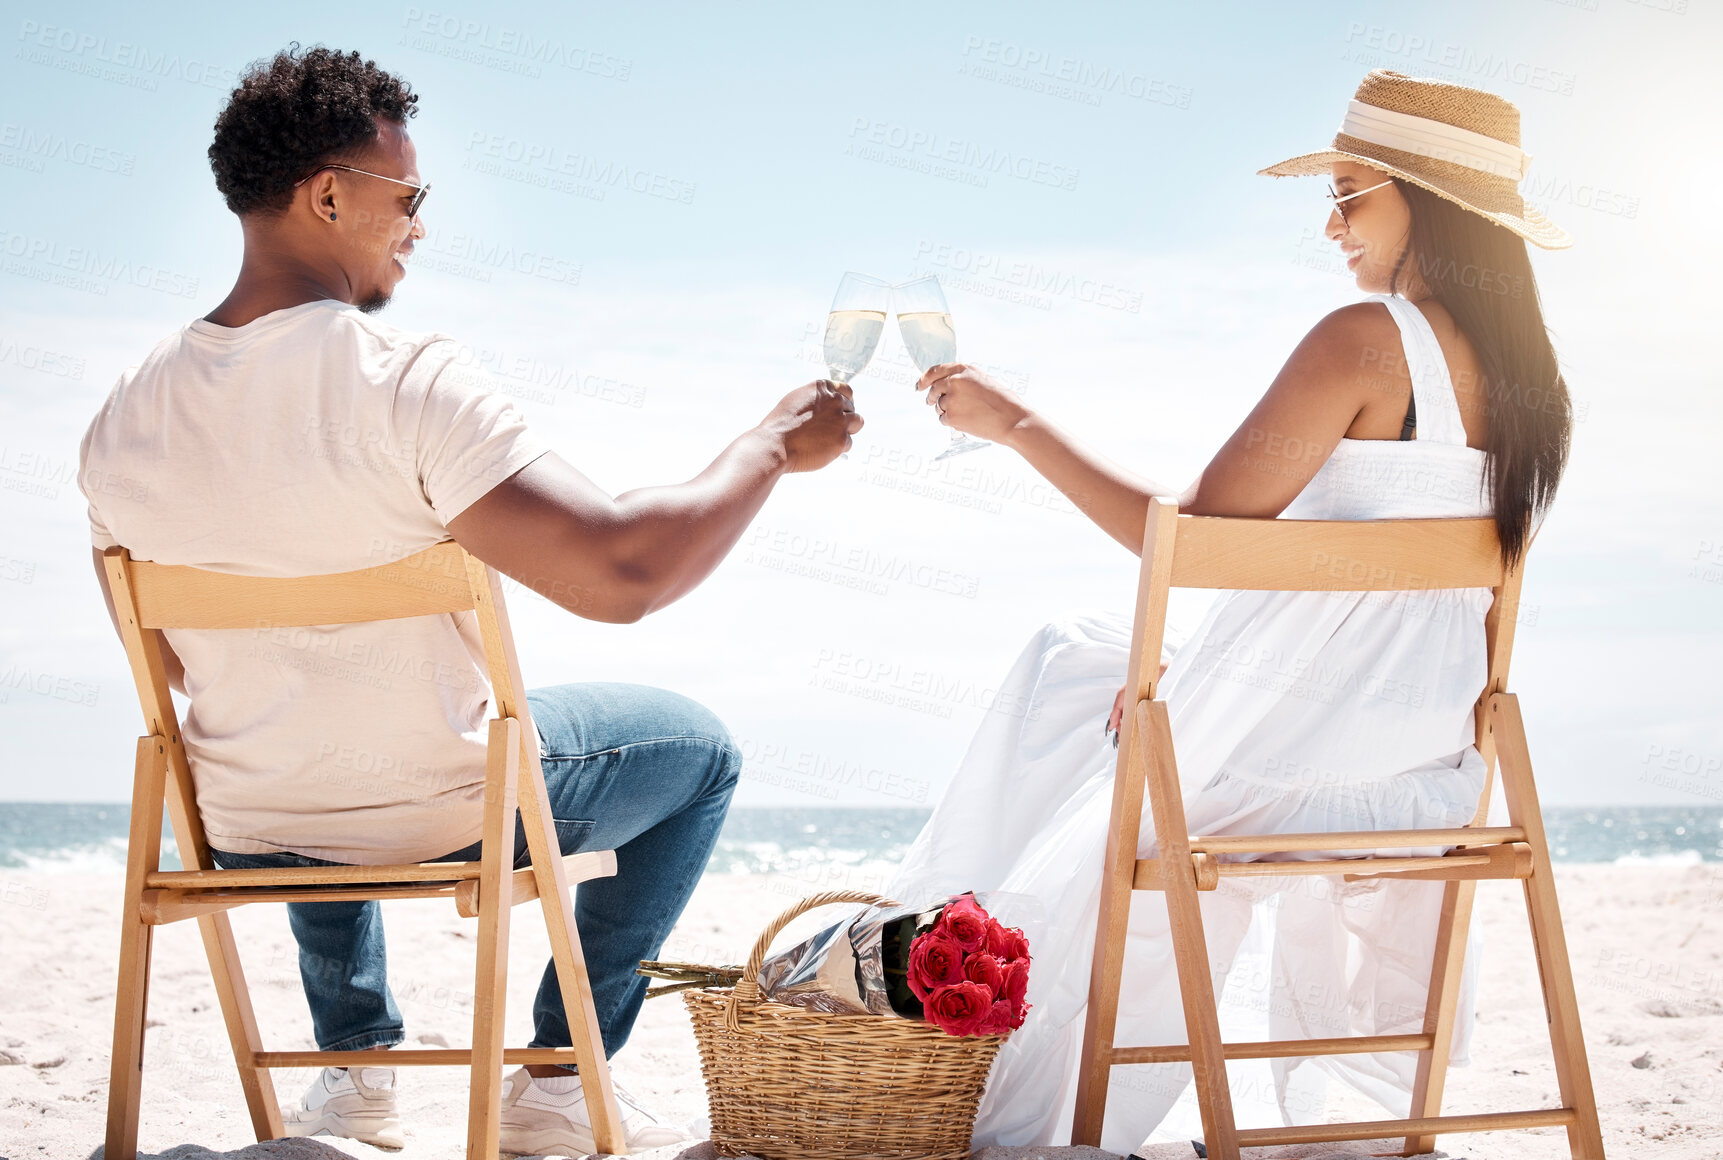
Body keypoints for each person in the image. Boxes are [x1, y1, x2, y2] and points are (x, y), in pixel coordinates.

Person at [80, 45, 862, 1155]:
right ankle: (554, 1073)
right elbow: (623, 573)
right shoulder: (406, 381)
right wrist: (771, 446)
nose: (420, 225)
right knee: (704, 751)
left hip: (246, 822)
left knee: (309, 697)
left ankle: (354, 1069)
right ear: (330, 194)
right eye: (411, 196)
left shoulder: (122, 414)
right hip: (450, 813)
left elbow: (169, 664)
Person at [893, 69, 1574, 1152]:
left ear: (1428, 200)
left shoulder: (1368, 337)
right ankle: (953, 966)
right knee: (1095, 663)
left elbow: (1194, 540)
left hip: (1284, 761)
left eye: (1352, 194)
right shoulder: (1523, 376)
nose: (1331, 223)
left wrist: (1015, 421)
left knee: (1064, 669)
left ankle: (933, 989)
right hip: (1419, 768)